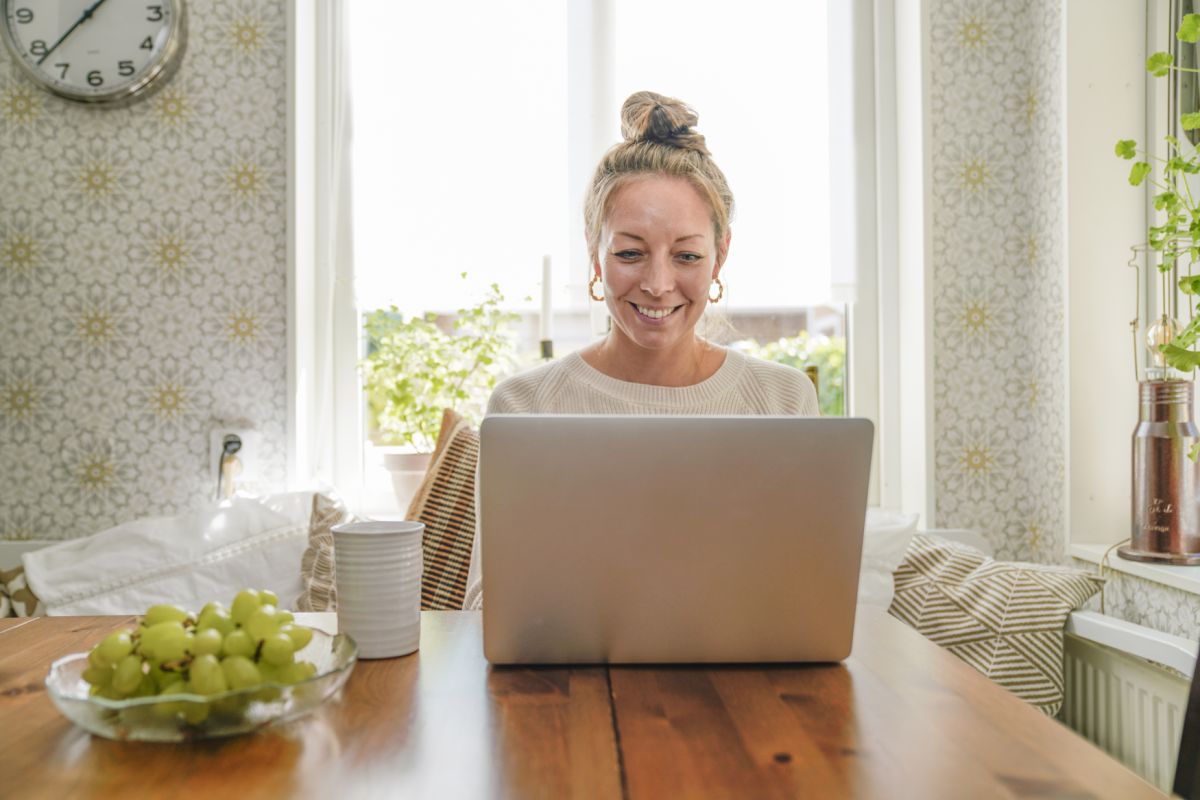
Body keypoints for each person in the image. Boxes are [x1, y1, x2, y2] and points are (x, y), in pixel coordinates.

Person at [461, 91, 818, 610]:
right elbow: (484, 608)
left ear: (720, 256)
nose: (657, 284)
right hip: (572, 684)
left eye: (687, 255)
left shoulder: (784, 400)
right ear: (594, 253)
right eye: (630, 253)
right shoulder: (524, 407)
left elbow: (803, 594)